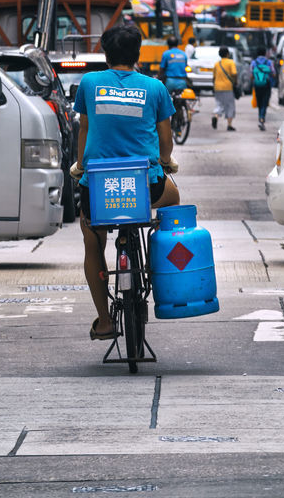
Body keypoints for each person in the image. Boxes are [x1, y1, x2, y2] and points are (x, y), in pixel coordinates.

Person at [73, 22, 179, 341]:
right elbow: (165, 138)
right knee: (174, 200)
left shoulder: (90, 83)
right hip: (146, 187)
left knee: (93, 240)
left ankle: (104, 321)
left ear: (106, 53)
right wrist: (166, 162)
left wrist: (81, 166)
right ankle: (157, 267)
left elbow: (84, 130)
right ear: (137, 55)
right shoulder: (155, 87)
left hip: (99, 189)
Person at [211, 45, 239, 132]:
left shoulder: (217, 64)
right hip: (228, 87)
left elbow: (214, 77)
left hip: (217, 87)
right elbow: (234, 73)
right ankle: (229, 125)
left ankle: (216, 116)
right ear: (227, 54)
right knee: (229, 105)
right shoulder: (231, 62)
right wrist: (235, 82)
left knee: (219, 104)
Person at [251, 51, 274, 130]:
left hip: (257, 86)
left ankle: (260, 118)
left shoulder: (254, 63)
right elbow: (273, 73)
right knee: (265, 103)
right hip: (267, 85)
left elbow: (251, 75)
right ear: (265, 53)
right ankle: (262, 118)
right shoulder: (269, 62)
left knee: (259, 103)